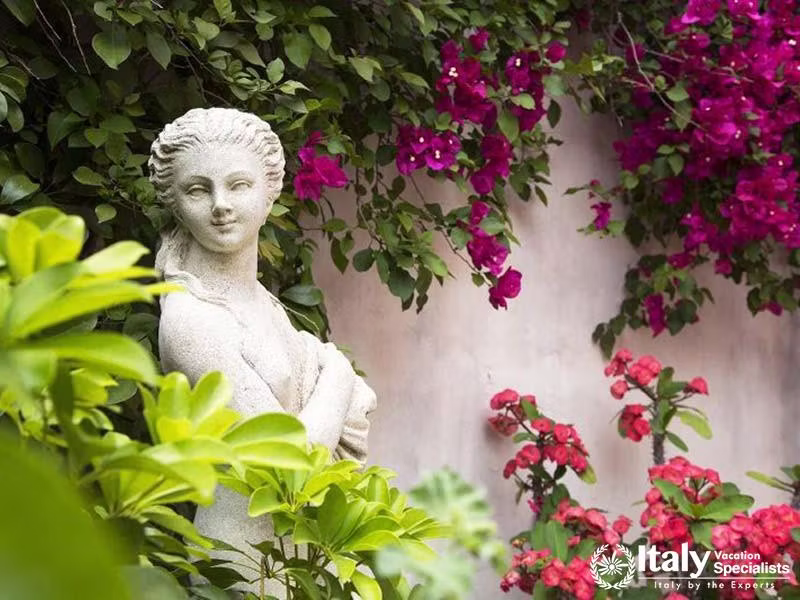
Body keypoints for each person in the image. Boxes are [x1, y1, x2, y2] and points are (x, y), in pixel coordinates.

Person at [149, 107, 376, 592]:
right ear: (176, 203)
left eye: (238, 185)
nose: (220, 205)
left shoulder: (261, 301)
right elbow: (290, 459)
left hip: (305, 545)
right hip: (246, 562)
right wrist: (338, 375)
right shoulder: (191, 320)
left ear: (270, 193)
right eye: (198, 189)